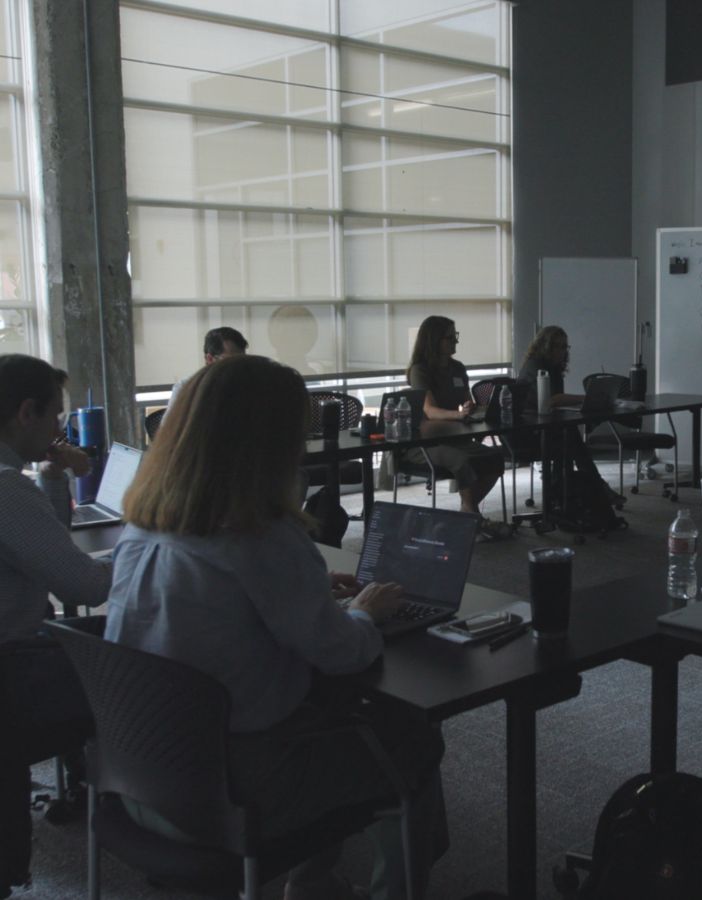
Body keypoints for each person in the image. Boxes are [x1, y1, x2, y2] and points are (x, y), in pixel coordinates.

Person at [104, 354, 447, 900]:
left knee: (318, 711)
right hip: (232, 790)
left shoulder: (142, 526)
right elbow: (343, 653)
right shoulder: (262, 536)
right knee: (413, 743)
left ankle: (318, 887)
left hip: (139, 778)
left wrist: (309, 594)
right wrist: (364, 611)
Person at [0, 354, 111, 893]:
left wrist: (51, 476)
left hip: (18, 650)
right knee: (135, 661)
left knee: (93, 637)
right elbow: (84, 587)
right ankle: (151, 798)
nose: (59, 430)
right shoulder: (4, 489)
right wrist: (145, 549)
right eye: (56, 418)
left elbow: (45, 549)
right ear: (27, 412)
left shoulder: (15, 486)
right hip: (11, 671)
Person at [404, 316, 504, 529]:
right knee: (461, 460)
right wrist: (459, 415)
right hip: (426, 442)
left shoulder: (458, 368)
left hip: (456, 437)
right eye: (450, 337)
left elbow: (467, 401)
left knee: (496, 457)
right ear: (434, 341)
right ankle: (472, 517)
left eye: (455, 336)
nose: (455, 341)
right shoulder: (420, 370)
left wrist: (473, 409)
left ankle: (467, 513)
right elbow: (429, 411)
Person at [516, 326, 624, 509]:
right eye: (557, 346)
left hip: (548, 425)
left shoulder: (554, 367)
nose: (562, 351)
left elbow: (556, 401)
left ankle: (566, 493)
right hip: (529, 430)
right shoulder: (536, 365)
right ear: (545, 346)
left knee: (569, 436)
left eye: (565, 346)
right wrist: (586, 398)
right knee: (570, 438)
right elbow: (553, 399)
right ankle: (595, 487)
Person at [165, 326, 248, 413]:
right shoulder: (185, 390)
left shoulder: (249, 387)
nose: (239, 366)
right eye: (231, 360)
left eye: (242, 360)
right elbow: (169, 426)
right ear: (210, 359)